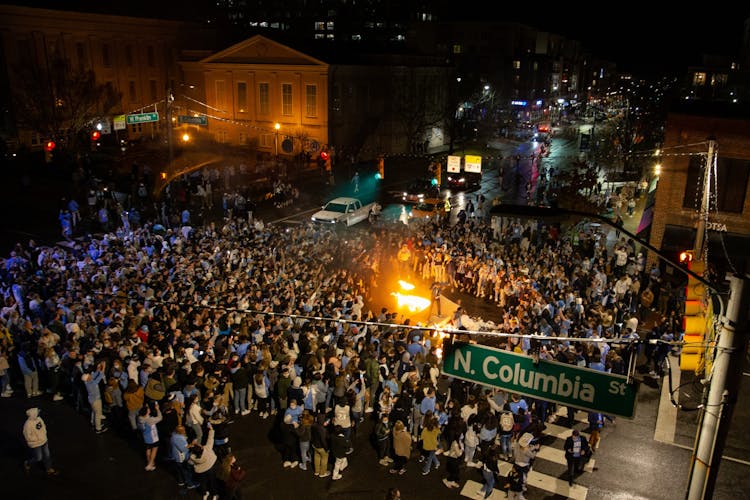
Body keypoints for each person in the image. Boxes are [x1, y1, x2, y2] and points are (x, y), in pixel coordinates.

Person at [22, 408, 58, 475]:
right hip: (36, 444)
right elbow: (28, 436)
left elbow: (43, 425)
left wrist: (44, 434)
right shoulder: (27, 425)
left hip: (44, 441)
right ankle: (28, 463)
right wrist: (38, 439)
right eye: (37, 412)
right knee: (38, 458)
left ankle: (49, 469)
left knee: (47, 455)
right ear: (34, 414)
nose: (39, 413)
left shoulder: (39, 418)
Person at [190, 423, 219, 500]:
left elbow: (191, 459)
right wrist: (211, 429)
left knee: (203, 482)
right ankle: (214, 495)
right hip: (210, 467)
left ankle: (205, 493)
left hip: (201, 470)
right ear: (201, 448)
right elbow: (210, 439)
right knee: (212, 481)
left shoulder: (192, 457)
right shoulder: (207, 449)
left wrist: (193, 444)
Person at [138, 402, 163, 471]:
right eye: (148, 409)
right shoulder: (150, 420)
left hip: (146, 438)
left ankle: (150, 463)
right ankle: (150, 464)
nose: (149, 409)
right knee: (154, 450)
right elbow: (160, 418)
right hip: (153, 438)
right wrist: (158, 409)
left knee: (148, 449)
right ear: (146, 412)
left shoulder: (140, 418)